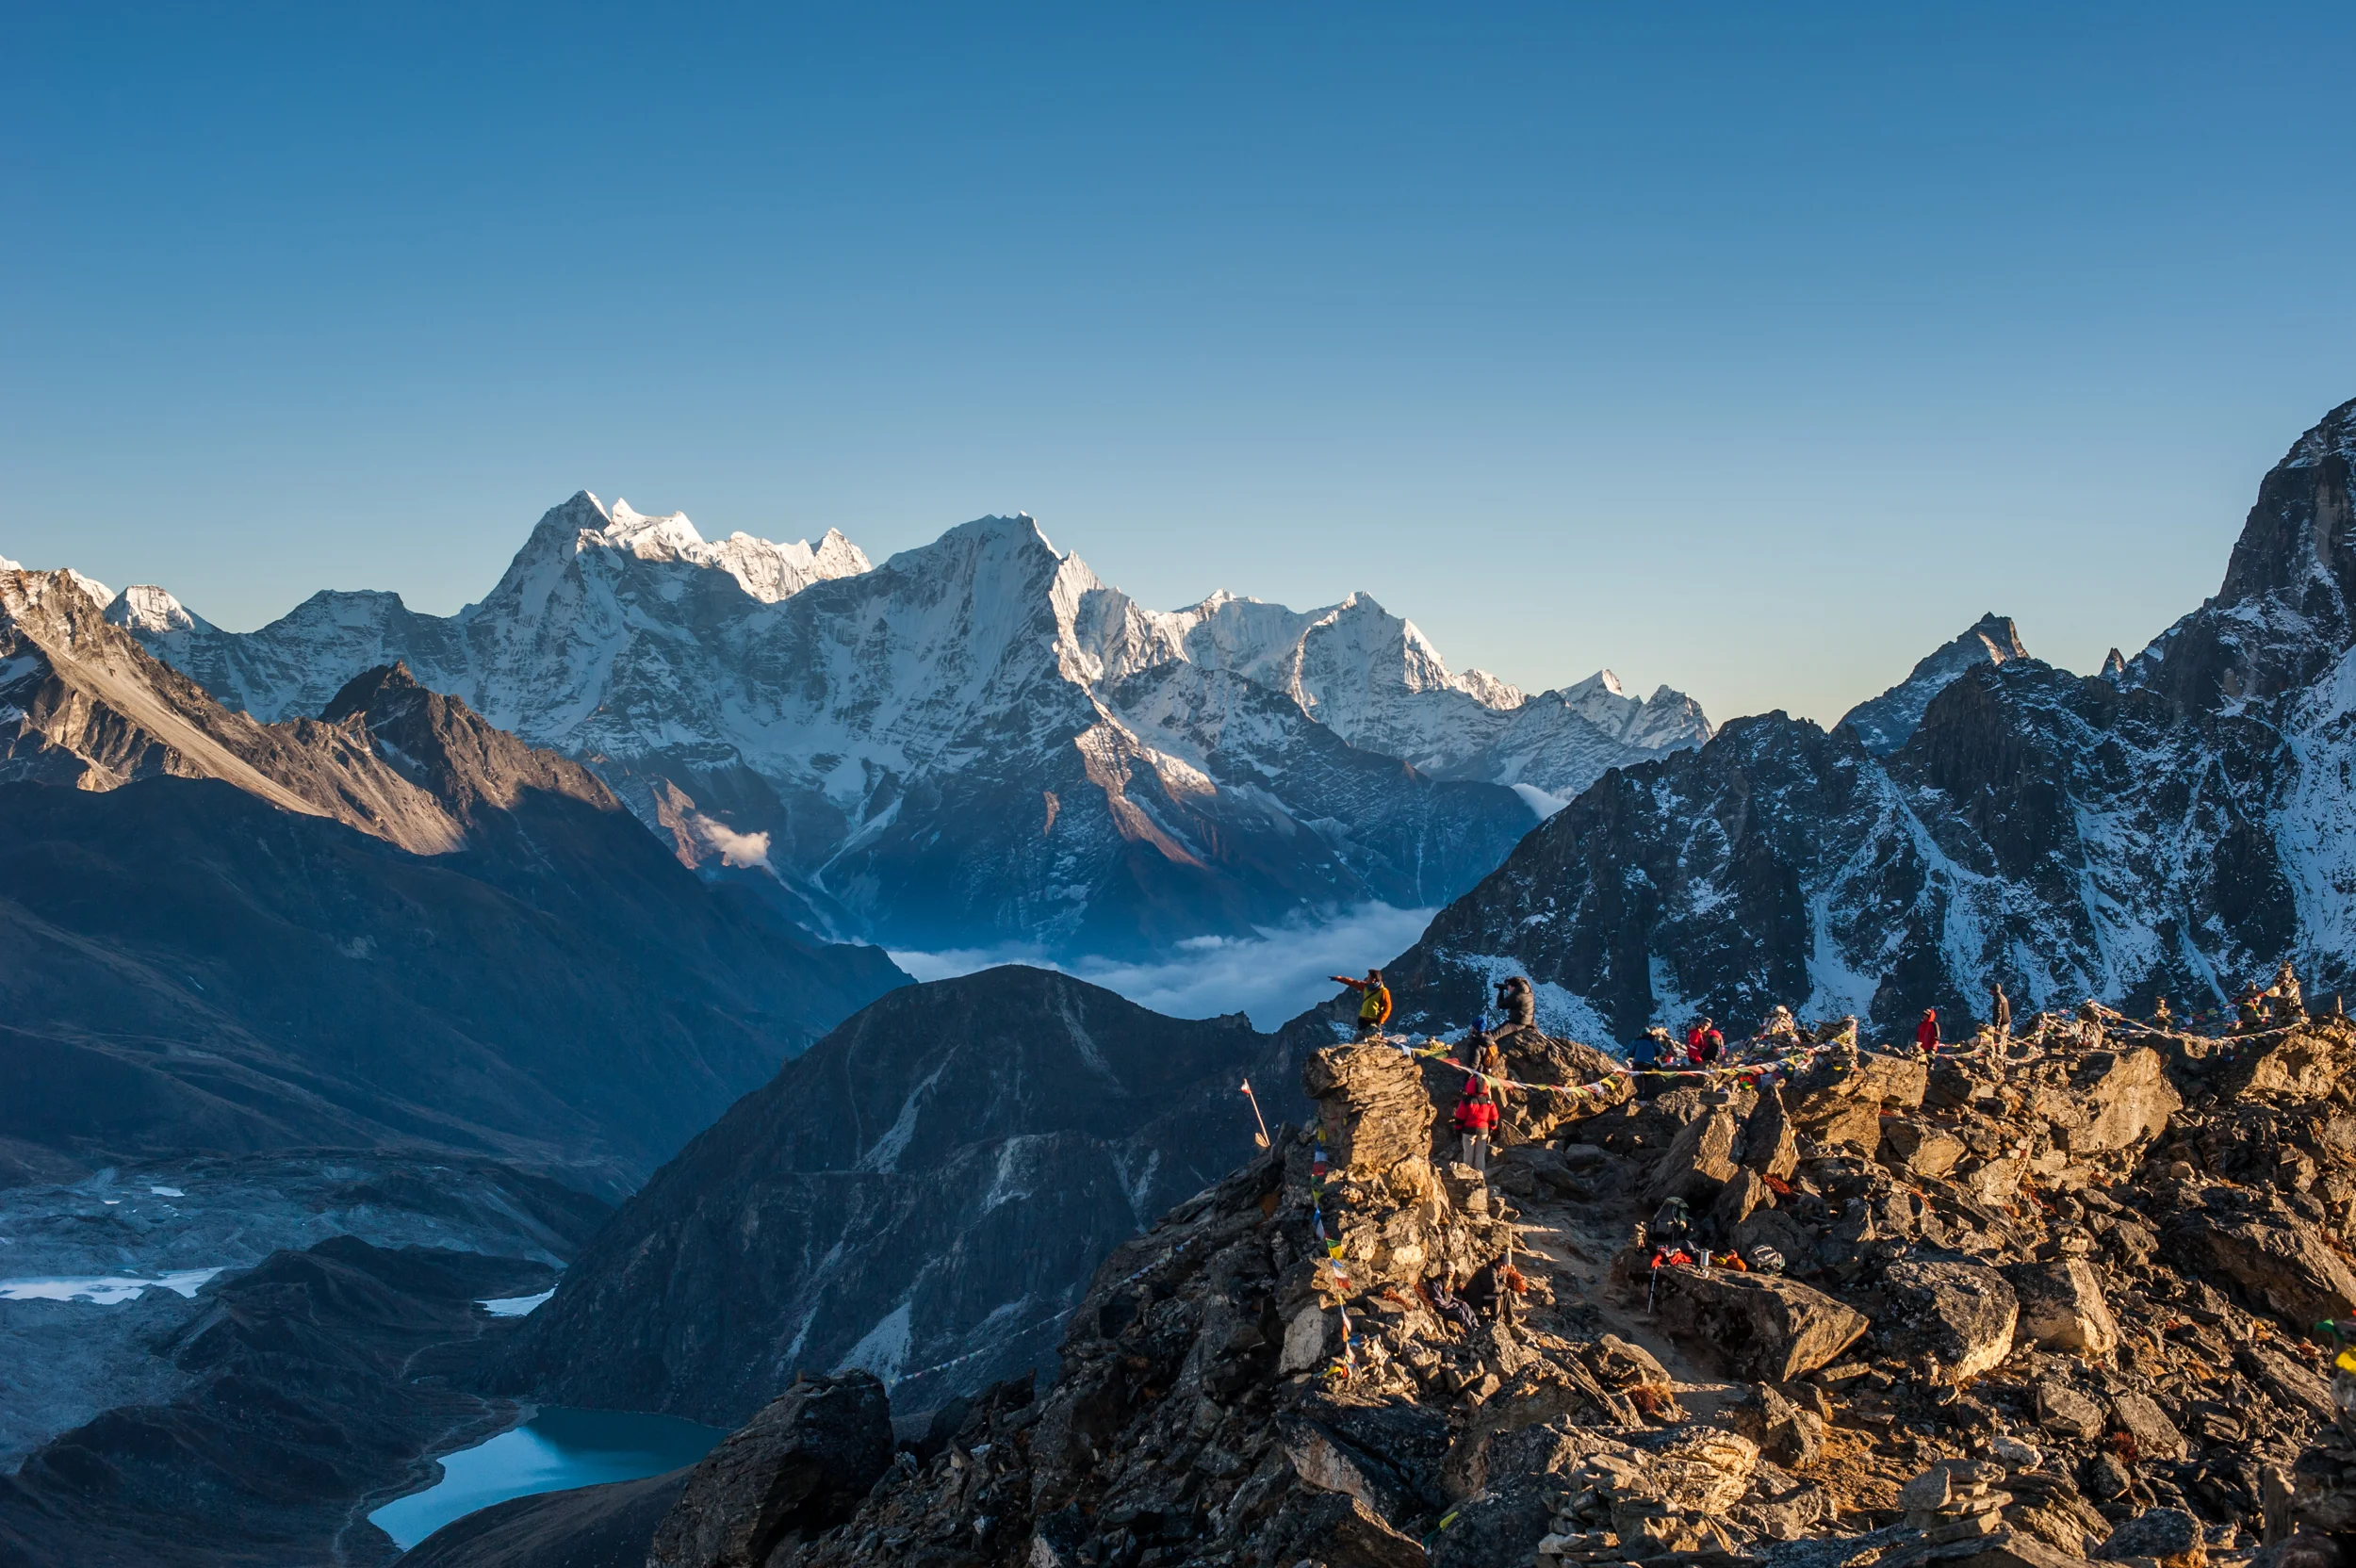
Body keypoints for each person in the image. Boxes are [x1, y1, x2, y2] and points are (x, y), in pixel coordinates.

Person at [1331, 970, 1393, 1040]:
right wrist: (1339, 979)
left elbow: (1388, 1007)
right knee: (1359, 1040)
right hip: (1363, 1020)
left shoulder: (1383, 991)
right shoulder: (1365, 987)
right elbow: (1352, 982)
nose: (1367, 978)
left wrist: (1381, 1020)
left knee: (1373, 1040)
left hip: (1375, 1021)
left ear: (1373, 979)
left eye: (1369, 977)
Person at [1453, 1079, 1499, 1173]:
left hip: (1468, 1132)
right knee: (1480, 1155)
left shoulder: (1466, 1101)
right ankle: (1481, 1176)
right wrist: (1492, 1129)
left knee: (1468, 1155)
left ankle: (1468, 1176)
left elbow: (1459, 1117)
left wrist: (1458, 1130)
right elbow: (1494, 1119)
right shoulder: (1489, 1102)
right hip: (1484, 1131)